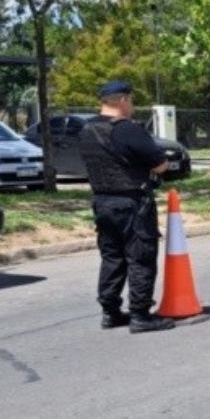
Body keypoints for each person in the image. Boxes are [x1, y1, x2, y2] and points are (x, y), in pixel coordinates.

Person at [78, 81, 175, 333]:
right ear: (122, 100)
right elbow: (161, 164)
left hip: (102, 202)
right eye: (130, 101)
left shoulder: (87, 129)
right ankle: (140, 315)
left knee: (111, 257)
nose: (131, 106)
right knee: (140, 258)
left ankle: (110, 312)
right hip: (132, 203)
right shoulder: (128, 130)